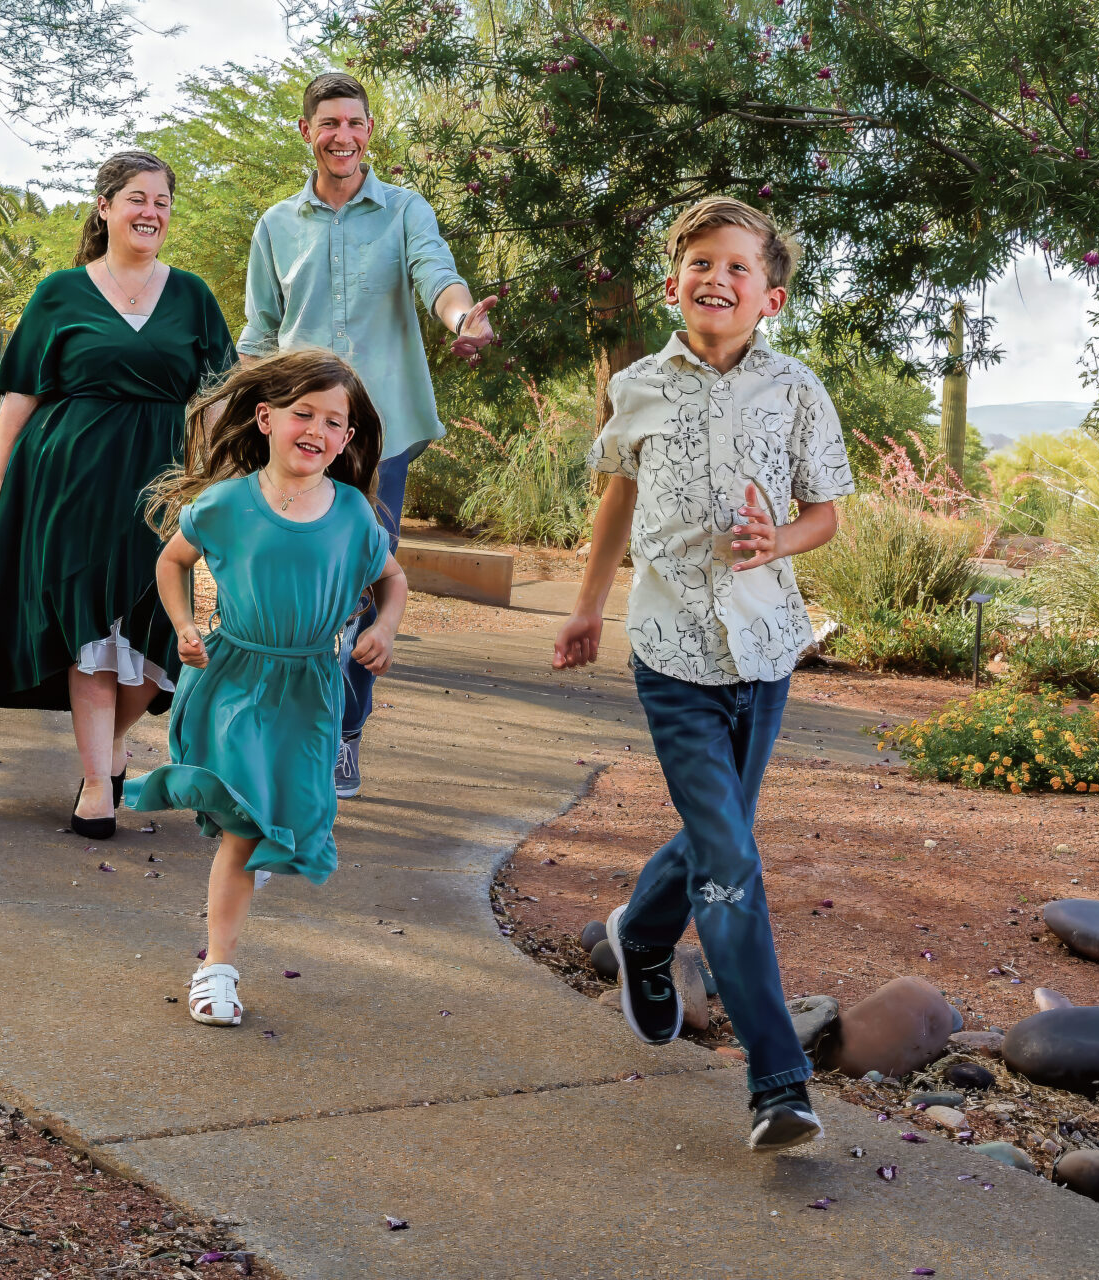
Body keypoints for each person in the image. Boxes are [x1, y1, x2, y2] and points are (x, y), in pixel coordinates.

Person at [551, 197, 856, 1149]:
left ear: (770, 296)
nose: (716, 278)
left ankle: (643, 933)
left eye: (738, 267)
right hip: (673, 649)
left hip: (765, 651)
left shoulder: (797, 388)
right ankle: (778, 1083)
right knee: (728, 859)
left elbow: (826, 514)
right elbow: (616, 501)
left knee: (718, 835)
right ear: (674, 281)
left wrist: (779, 543)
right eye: (699, 263)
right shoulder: (638, 385)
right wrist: (588, 604)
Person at [0, 151, 237, 841]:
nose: (150, 212)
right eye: (136, 198)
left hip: (158, 486)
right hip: (63, 483)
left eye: (162, 201)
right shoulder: (61, 292)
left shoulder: (191, 295)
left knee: (160, 642)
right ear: (104, 207)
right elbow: (21, 395)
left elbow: (217, 397)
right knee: (89, 632)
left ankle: (113, 743)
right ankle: (98, 781)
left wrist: (216, 483)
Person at [128, 350, 408, 1027]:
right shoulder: (226, 503)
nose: (315, 429)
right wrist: (183, 622)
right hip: (235, 680)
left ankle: (230, 917)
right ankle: (216, 969)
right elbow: (172, 561)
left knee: (266, 822)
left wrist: (386, 628)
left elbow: (391, 580)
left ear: (347, 438)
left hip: (309, 690)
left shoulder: (353, 516)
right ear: (265, 418)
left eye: (333, 420)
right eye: (301, 413)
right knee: (245, 829)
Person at [239, 70, 497, 800]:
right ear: (307, 133)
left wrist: (460, 319)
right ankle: (278, 729)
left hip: (378, 438)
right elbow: (260, 333)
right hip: (293, 435)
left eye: (354, 123)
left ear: (369, 131)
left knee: (360, 585)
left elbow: (435, 275)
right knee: (287, 586)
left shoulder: (406, 211)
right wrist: (235, 412)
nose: (342, 137)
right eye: (329, 125)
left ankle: (345, 732)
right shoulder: (275, 227)